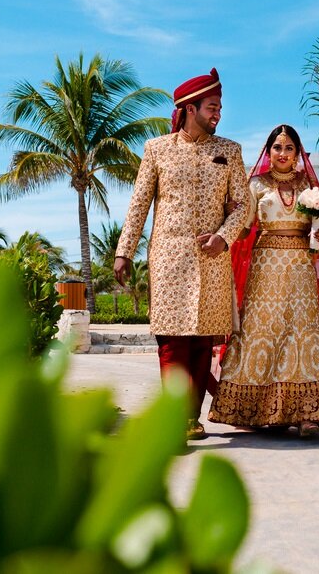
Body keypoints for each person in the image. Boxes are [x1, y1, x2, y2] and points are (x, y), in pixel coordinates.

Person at [114, 67, 249, 440]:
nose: (217, 113)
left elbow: (243, 206)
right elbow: (139, 203)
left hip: (211, 259)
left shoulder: (230, 151)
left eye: (219, 107)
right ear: (189, 108)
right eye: (211, 106)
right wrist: (124, 250)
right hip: (169, 257)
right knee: (171, 340)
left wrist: (224, 238)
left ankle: (191, 418)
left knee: (203, 340)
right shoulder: (157, 150)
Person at [208, 124, 319, 438]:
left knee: (301, 335)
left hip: (300, 268)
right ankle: (251, 410)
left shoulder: (310, 186)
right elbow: (244, 230)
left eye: (288, 148)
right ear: (269, 151)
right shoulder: (256, 185)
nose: (282, 154)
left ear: (298, 153)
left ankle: (306, 414)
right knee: (261, 333)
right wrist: (225, 219)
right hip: (265, 268)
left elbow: (318, 236)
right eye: (277, 147)